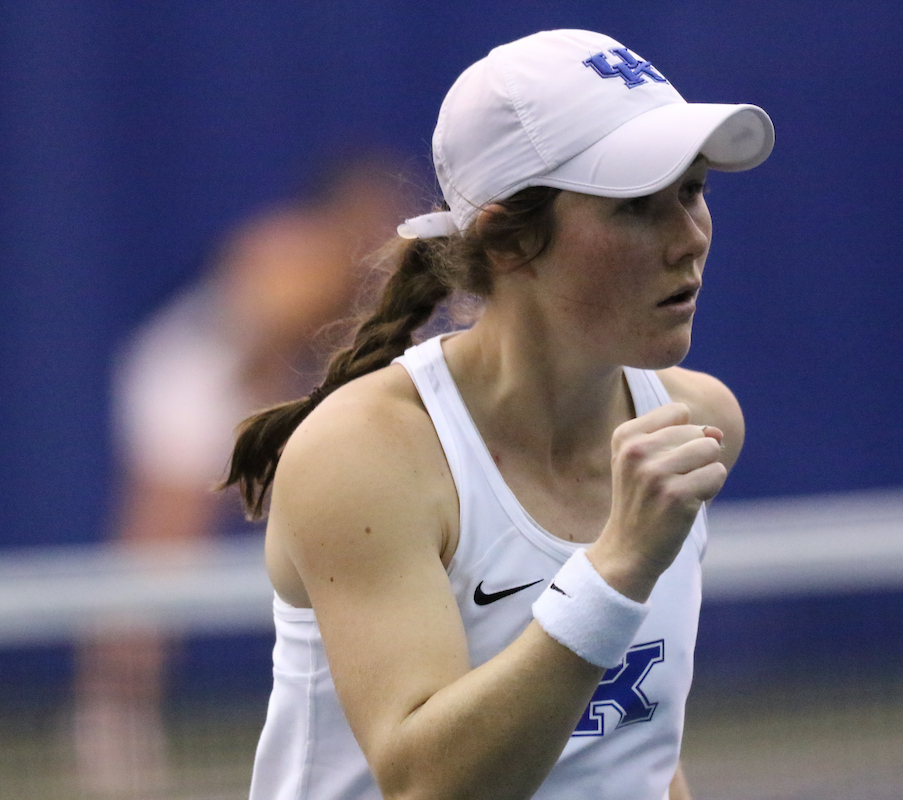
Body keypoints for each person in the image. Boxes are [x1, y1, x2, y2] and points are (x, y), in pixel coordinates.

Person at [225, 29, 773, 800]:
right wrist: (617, 567)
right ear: (507, 241)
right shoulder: (364, 454)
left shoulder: (698, 420)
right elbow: (425, 785)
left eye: (693, 191)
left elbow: (636, 755)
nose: (689, 240)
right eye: (636, 206)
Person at [72, 153, 412, 797]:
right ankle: (111, 722)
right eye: (373, 209)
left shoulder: (363, 273)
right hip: (192, 386)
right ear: (341, 211)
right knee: (158, 563)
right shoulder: (293, 259)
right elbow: (258, 365)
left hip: (243, 391)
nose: (386, 221)